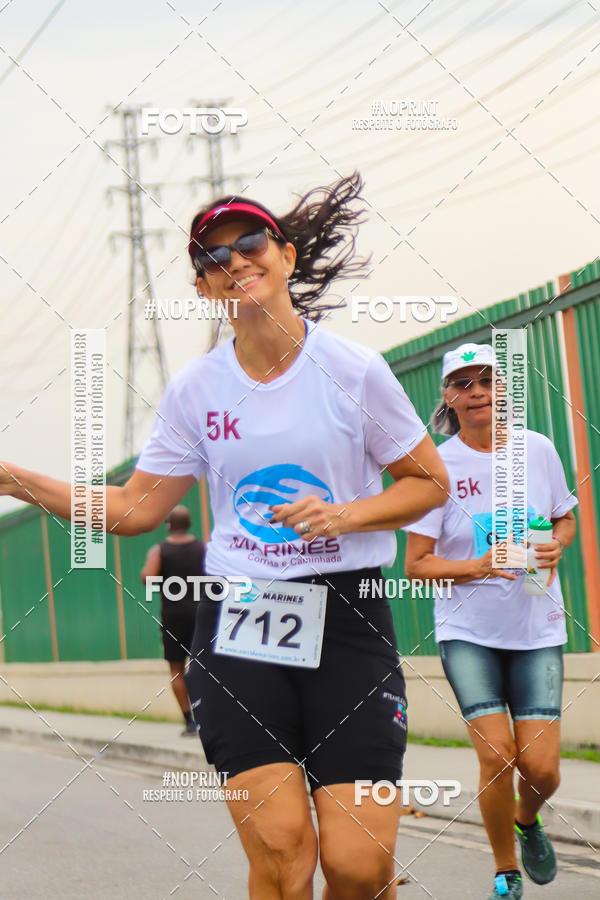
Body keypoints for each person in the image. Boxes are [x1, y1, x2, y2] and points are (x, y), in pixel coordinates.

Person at [0, 172, 449, 899]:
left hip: (348, 617)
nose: (234, 261)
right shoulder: (196, 390)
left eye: (250, 244)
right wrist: (14, 479)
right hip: (242, 621)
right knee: (282, 853)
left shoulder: (355, 371)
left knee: (359, 865)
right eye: (213, 258)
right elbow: (135, 508)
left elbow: (427, 483)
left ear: (286, 256)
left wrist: (344, 515)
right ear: (204, 287)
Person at [404, 342, 577, 900]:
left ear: (503, 391)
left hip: (537, 628)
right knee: (498, 755)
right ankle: (505, 870)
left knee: (543, 770)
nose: (477, 392)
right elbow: (416, 565)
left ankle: (527, 820)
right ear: (448, 396)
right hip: (468, 633)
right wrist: (477, 566)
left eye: (488, 380)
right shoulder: (436, 467)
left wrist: (557, 546)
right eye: (464, 383)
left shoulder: (537, 449)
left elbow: (564, 519)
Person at [140, 505, 206, 736]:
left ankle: (190, 722)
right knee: (204, 667)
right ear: (189, 524)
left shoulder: (159, 551)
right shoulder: (204, 548)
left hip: (174, 616)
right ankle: (208, 718)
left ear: (169, 525)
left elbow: (148, 578)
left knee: (177, 669)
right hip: (202, 613)